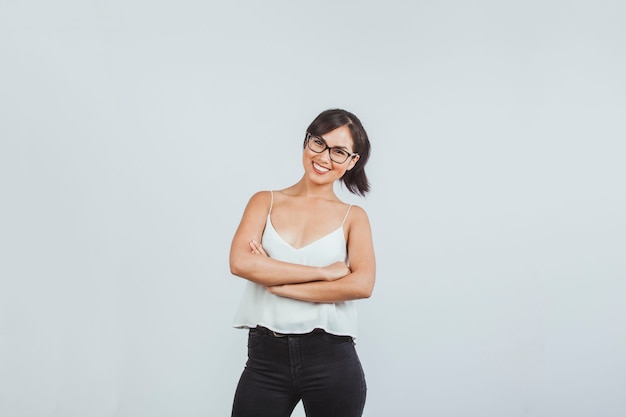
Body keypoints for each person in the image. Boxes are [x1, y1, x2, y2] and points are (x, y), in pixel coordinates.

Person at [229, 108, 376, 417]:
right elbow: (240, 262)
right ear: (306, 142)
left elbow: (362, 284)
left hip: (331, 359)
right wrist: (324, 274)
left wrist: (278, 284)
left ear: (352, 161)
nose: (324, 157)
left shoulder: (354, 217)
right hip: (265, 359)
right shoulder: (264, 201)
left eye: (339, 152)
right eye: (318, 143)